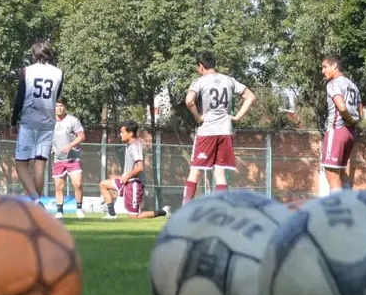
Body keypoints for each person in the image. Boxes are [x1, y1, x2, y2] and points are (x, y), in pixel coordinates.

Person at [183, 52, 255, 202]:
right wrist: (237, 117)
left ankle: (185, 208)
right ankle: (222, 209)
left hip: (207, 131)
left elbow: (189, 101)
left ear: (201, 67)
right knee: (220, 173)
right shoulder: (229, 80)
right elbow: (251, 97)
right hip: (225, 131)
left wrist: (198, 117)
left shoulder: (199, 82)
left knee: (195, 170)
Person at [12, 39, 64, 200]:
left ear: (34, 55)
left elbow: (19, 98)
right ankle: (35, 203)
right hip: (48, 122)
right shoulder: (59, 73)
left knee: (21, 164)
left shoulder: (27, 71)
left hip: (29, 121)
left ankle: (34, 200)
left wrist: (13, 121)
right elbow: (56, 96)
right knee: (40, 164)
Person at [100, 121, 166, 219]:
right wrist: (122, 176)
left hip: (134, 184)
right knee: (103, 184)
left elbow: (140, 167)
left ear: (130, 133)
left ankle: (164, 212)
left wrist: (127, 176)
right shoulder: (129, 145)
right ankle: (111, 214)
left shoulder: (136, 146)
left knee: (133, 216)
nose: (120, 134)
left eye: (122, 132)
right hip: (126, 182)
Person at [320, 54, 363, 191]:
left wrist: (348, 119)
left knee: (332, 175)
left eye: (325, 67)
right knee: (342, 174)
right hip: (350, 134)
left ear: (334, 66)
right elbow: (361, 113)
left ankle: (337, 205)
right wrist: (353, 122)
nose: (323, 71)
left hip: (336, 131)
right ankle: (347, 202)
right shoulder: (353, 85)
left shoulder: (333, 83)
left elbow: (342, 107)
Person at [50, 98, 86, 217]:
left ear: (65, 107)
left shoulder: (73, 120)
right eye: (57, 106)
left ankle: (79, 209)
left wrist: (70, 145)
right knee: (58, 186)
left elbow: (81, 136)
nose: (59, 108)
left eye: (61, 105)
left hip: (73, 158)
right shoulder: (49, 121)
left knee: (78, 184)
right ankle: (59, 211)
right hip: (58, 159)